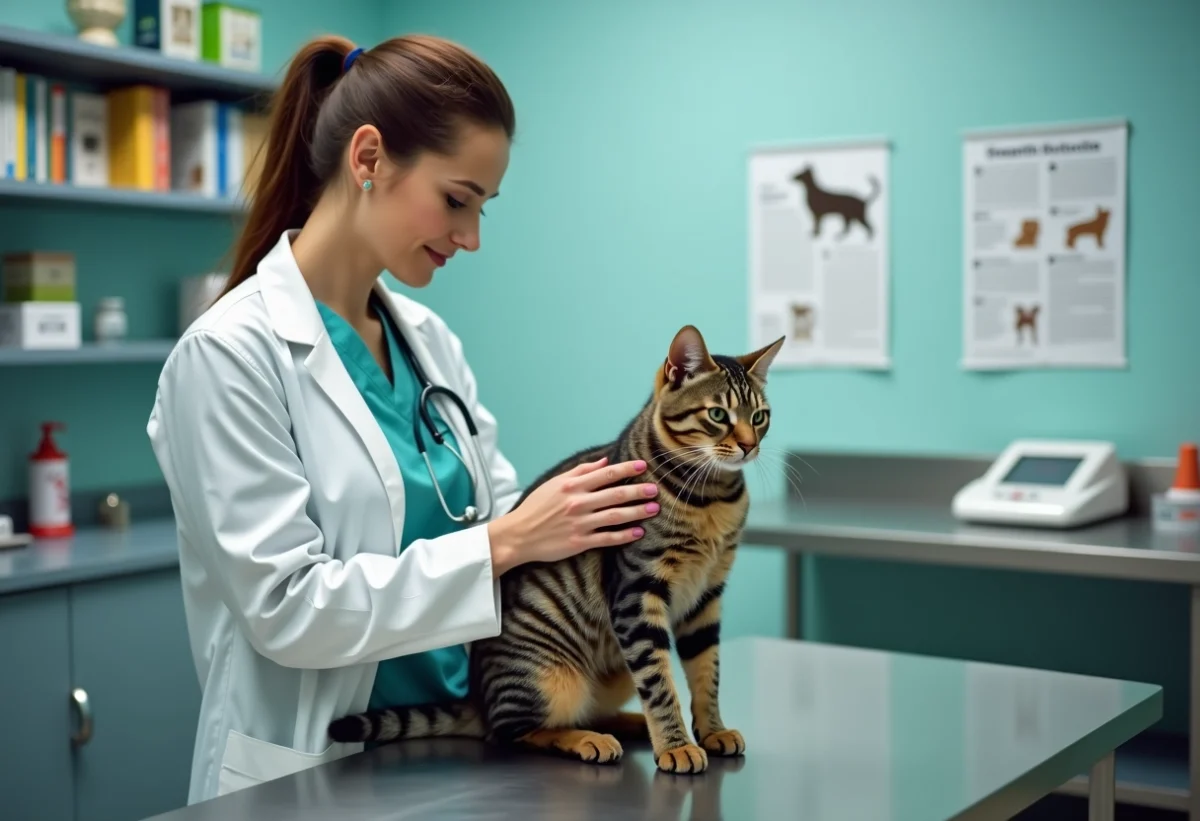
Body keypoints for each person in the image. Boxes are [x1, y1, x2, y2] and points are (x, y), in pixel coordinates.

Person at [146, 33, 660, 805]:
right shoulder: (227, 355)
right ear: (368, 159)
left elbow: (501, 524)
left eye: (483, 207)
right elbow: (287, 609)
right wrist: (511, 538)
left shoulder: (430, 343)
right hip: (310, 770)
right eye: (457, 200)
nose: (472, 237)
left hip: (463, 751)